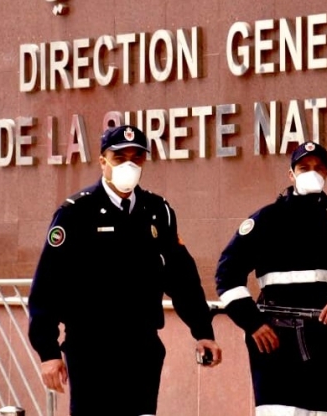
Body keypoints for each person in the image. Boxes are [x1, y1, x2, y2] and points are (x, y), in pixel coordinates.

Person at [27, 125, 222, 416]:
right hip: (92, 349)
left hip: (142, 348)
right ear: (103, 161)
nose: (129, 165)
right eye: (119, 158)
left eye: (136, 158)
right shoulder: (76, 212)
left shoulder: (157, 211)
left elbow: (182, 278)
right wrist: (48, 352)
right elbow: (48, 285)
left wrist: (203, 331)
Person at [214, 141, 327, 416]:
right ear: (291, 174)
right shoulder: (266, 220)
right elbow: (227, 275)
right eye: (303, 167)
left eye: (318, 168)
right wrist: (253, 323)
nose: (312, 173)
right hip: (278, 344)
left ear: (326, 173)